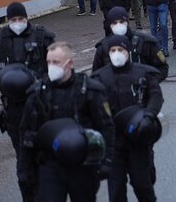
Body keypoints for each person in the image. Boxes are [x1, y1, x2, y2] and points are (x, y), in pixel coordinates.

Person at [0, 2, 55, 202]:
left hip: (41, 107)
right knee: (24, 163)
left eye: (21, 19)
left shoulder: (43, 37)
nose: (17, 23)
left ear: (27, 18)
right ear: (8, 21)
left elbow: (57, 69)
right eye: (13, 20)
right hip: (14, 111)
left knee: (44, 159)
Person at [19, 42, 115, 202]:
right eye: (48, 62)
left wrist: (107, 161)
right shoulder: (38, 93)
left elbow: (107, 127)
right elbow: (25, 132)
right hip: (50, 164)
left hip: (82, 165)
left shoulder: (90, 91)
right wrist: (24, 169)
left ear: (69, 63)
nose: (51, 66)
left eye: (55, 62)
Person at [91, 35, 164, 202]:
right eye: (113, 50)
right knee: (115, 190)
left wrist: (149, 115)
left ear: (127, 51)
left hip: (138, 139)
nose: (116, 53)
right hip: (113, 144)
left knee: (142, 186)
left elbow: (155, 96)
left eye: (120, 50)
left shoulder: (144, 73)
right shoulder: (99, 78)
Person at [92, 6, 169, 82]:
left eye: (121, 22)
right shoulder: (103, 47)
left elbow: (162, 68)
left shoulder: (145, 42)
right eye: (115, 23)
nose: (118, 25)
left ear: (127, 22)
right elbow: (95, 76)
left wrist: (148, 83)